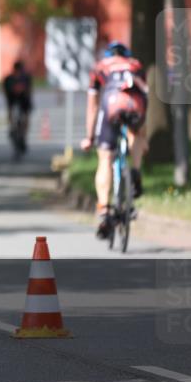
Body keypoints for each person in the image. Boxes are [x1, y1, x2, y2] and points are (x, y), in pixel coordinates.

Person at [80, 41, 148, 240]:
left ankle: (104, 210)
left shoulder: (100, 67)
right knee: (136, 133)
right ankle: (135, 171)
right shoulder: (135, 65)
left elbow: (92, 107)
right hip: (136, 104)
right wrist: (143, 137)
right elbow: (146, 95)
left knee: (105, 159)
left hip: (112, 103)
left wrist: (89, 137)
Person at [3, 60, 33, 153]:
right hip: (15, 101)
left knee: (25, 117)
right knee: (14, 114)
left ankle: (21, 134)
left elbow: (29, 91)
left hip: (22, 101)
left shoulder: (25, 78)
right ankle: (13, 129)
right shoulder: (10, 79)